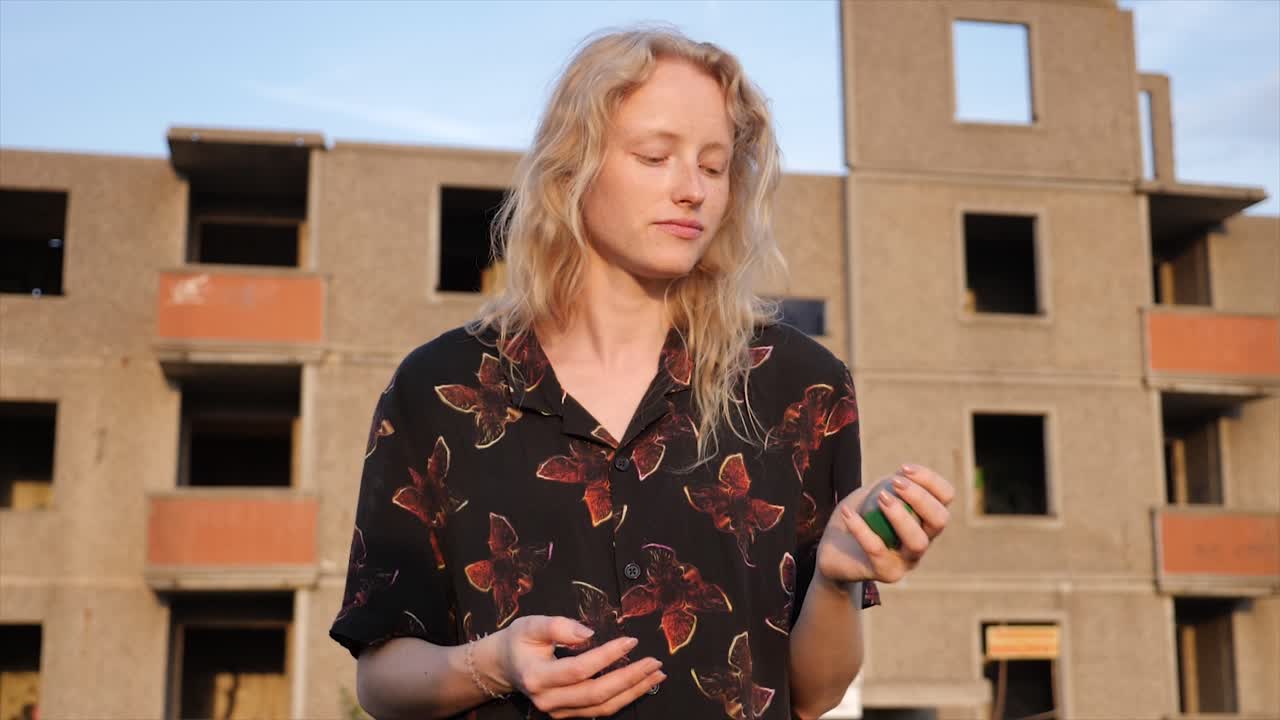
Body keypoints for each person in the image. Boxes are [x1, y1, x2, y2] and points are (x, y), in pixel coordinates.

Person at [330, 26, 954, 720]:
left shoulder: (800, 387)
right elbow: (381, 680)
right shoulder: (438, 388)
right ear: (574, 166)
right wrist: (491, 664)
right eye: (656, 156)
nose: (691, 190)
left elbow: (816, 692)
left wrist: (835, 579)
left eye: (715, 167)